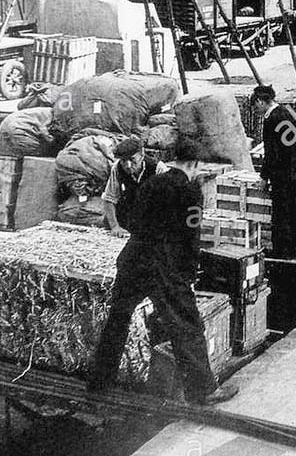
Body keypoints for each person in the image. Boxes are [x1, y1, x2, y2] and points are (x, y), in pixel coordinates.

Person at [88, 167, 238, 405]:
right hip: (165, 266)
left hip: (133, 259)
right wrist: (188, 274)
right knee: (187, 325)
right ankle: (204, 391)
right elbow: (192, 235)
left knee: (117, 319)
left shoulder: (151, 183)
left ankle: (98, 383)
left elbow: (133, 220)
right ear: (194, 163)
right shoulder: (190, 192)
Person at [253, 85, 296, 259]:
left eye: (256, 107)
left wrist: (264, 177)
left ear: (260, 101)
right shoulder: (285, 113)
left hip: (284, 175)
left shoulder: (272, 118)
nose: (256, 111)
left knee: (281, 215)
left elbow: (272, 152)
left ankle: (281, 253)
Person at [102, 136, 164, 238]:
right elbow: (109, 198)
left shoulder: (158, 168)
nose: (128, 165)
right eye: (123, 161)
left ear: (142, 154)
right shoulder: (117, 168)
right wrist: (115, 227)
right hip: (130, 213)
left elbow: (167, 202)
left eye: (132, 159)